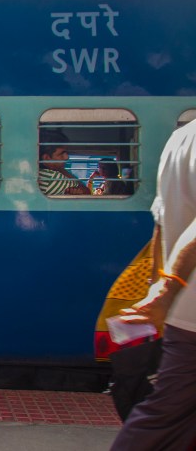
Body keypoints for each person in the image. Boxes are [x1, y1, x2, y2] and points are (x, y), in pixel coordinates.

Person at [110, 120, 196, 450]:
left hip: (182, 315)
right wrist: (166, 288)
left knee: (167, 415)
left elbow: (160, 221)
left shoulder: (180, 138)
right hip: (182, 302)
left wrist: (158, 286)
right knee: (164, 416)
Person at [38, 131, 89, 195]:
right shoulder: (54, 178)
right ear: (47, 158)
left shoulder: (39, 172)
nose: (67, 157)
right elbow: (87, 193)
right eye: (62, 153)